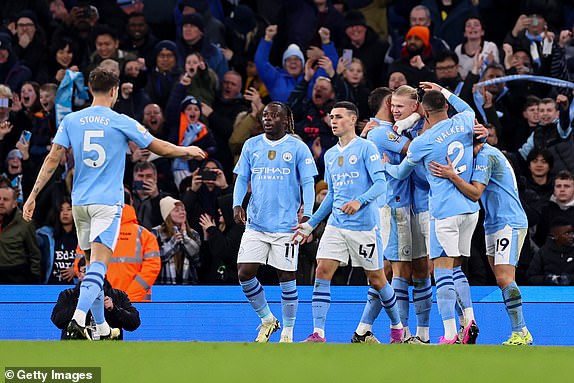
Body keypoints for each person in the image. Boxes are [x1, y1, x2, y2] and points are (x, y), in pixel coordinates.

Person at [22, 67, 205, 341]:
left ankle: (102, 327)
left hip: (80, 204)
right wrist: (186, 150)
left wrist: (33, 195)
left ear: (91, 89)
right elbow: (158, 146)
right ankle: (78, 318)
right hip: (107, 204)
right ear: (114, 91)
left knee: (90, 263)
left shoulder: (72, 120)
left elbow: (52, 159)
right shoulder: (120, 120)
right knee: (99, 266)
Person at [293, 101, 403, 344]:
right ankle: (318, 333)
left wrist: (360, 201)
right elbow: (331, 195)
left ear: (353, 120)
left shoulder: (367, 148)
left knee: (377, 279)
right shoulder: (331, 155)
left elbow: (381, 185)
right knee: (322, 270)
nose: (334, 121)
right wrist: (310, 225)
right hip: (336, 225)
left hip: (364, 227)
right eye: (332, 117)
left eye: (339, 117)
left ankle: (397, 328)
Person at [382, 82, 481, 344]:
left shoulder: (423, 141)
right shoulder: (466, 121)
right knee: (457, 269)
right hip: (469, 209)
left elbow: (401, 172)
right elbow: (465, 107)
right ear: (446, 106)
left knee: (442, 272)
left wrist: (383, 167)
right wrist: (443, 89)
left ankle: (449, 334)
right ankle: (469, 318)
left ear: (423, 113)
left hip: (444, 210)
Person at [429, 138, 533, 345]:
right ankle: (520, 331)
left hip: (509, 221)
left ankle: (521, 332)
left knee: (505, 278)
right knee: (501, 280)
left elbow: (475, 193)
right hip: (493, 223)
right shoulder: (480, 156)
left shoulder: (486, 155)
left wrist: (451, 175)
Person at [233, 101, 317, 343]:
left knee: (287, 277)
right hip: (256, 224)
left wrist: (308, 215)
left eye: (274, 115)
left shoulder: (297, 147)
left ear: (285, 120)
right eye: (265, 115)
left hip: (285, 226)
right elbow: (241, 178)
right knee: (244, 273)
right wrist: (237, 203)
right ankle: (268, 319)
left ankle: (288, 332)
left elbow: (308, 183)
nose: (267, 119)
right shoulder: (252, 145)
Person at [364, 85, 432, 344]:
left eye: (400, 106)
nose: (395, 110)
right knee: (397, 270)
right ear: (386, 105)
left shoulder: (397, 128)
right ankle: (399, 333)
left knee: (421, 269)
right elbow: (416, 151)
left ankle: (420, 334)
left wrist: (415, 119)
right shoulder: (382, 132)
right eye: (393, 106)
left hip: (414, 205)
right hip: (395, 206)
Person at [51, 256, 141, 340]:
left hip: (108, 351)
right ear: (79, 275)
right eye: (86, 271)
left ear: (103, 274)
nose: (91, 276)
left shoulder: (118, 295)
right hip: (76, 350)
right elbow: (57, 320)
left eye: (94, 272)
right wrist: (82, 304)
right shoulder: (68, 295)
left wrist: (114, 309)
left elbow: (134, 323)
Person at [152, 196, 202, 285]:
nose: (182, 212)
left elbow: (197, 260)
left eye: (183, 209)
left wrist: (185, 238)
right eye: (177, 210)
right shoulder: (156, 232)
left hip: (189, 285)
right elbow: (155, 259)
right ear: (167, 214)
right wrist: (173, 242)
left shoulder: (194, 234)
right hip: (163, 285)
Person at [0, 186, 41, 284]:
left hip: (15, 276)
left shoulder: (25, 223)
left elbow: (34, 254)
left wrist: (34, 279)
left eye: (5, 199)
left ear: (14, 203)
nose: (1, 202)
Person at [527, 217, 574, 286]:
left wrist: (569, 279)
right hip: (547, 293)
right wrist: (549, 279)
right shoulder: (543, 252)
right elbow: (531, 277)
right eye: (567, 233)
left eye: (572, 232)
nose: (572, 236)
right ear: (555, 236)